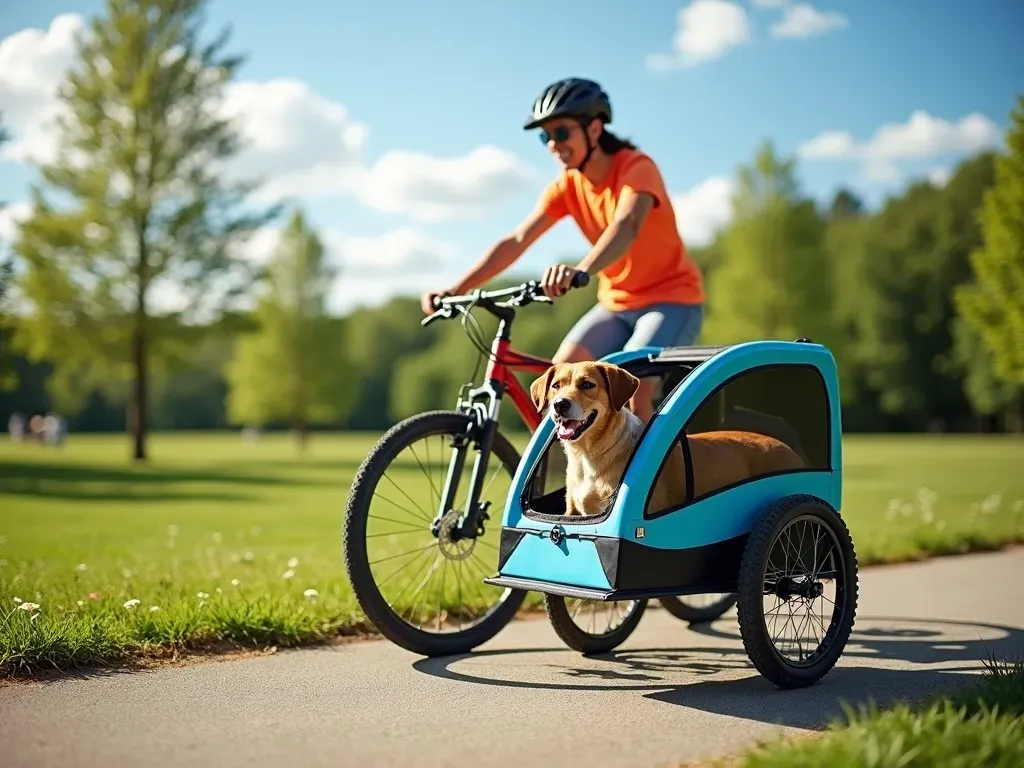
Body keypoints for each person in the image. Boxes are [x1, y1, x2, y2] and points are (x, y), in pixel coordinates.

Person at [421, 77, 705, 423]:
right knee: (558, 382)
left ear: (595, 128)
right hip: (616, 304)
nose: (553, 144)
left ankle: (642, 478)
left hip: (672, 300)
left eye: (561, 132)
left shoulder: (635, 167)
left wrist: (581, 268)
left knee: (633, 391)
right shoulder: (567, 186)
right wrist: (456, 289)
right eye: (545, 136)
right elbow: (518, 240)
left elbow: (626, 225)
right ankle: (557, 474)